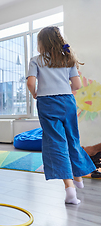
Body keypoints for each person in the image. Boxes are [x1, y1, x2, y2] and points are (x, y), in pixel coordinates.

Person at [27, 26, 95, 204]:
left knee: (56, 142)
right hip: (67, 102)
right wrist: (66, 90)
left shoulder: (36, 60)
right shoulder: (67, 59)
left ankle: (69, 189)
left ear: (41, 43)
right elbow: (77, 85)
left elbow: (30, 82)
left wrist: (35, 93)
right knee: (72, 138)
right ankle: (78, 179)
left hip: (46, 103)